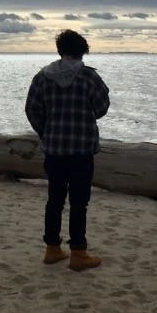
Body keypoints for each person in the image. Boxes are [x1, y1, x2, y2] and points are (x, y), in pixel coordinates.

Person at [24, 29, 110, 272]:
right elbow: (102, 107)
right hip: (82, 149)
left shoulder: (42, 77)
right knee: (79, 203)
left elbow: (32, 110)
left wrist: (46, 132)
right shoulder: (89, 77)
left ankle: (52, 249)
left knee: (54, 200)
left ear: (60, 50)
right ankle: (78, 253)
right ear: (82, 51)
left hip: (54, 149)